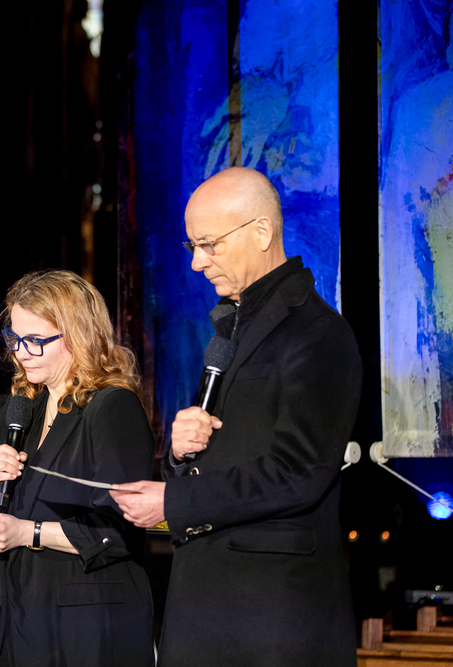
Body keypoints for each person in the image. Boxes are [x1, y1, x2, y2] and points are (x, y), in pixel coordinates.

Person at [111, 167, 363, 667]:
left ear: (262, 231)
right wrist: (179, 455)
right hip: (205, 608)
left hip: (271, 619)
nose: (197, 262)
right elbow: (224, 457)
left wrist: (173, 499)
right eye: (192, 246)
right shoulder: (231, 330)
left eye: (209, 244)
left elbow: (299, 473)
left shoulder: (319, 333)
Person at [0, 269, 155, 667]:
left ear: (79, 336)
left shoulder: (112, 407)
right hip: (18, 614)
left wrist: (28, 532)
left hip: (85, 625)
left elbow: (118, 530)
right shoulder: (25, 410)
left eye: (36, 341)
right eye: (14, 339)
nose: (21, 353)